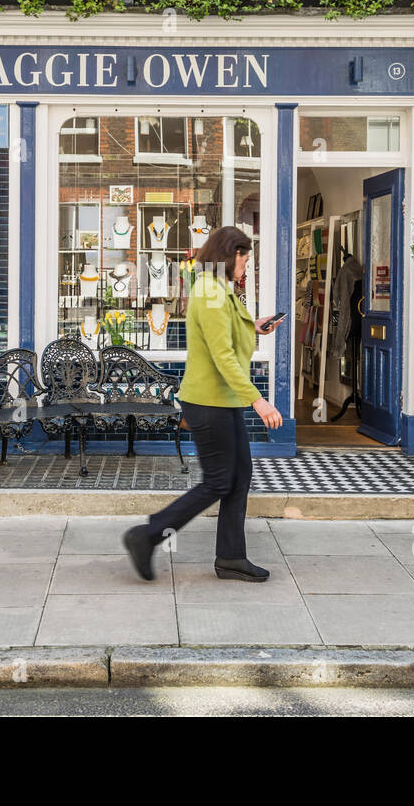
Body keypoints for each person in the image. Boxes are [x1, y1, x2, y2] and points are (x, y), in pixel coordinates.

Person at [123, 226, 284, 582]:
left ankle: (230, 557)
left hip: (222, 400)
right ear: (232, 254)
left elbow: (224, 330)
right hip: (208, 401)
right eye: (245, 258)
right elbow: (222, 355)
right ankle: (147, 535)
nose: (246, 266)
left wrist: (252, 326)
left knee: (239, 477)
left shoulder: (216, 287)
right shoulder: (211, 290)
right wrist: (259, 401)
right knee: (218, 481)